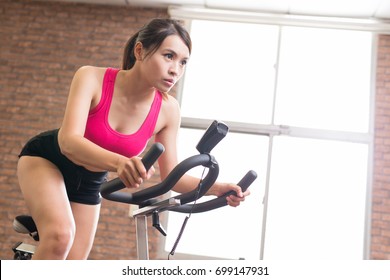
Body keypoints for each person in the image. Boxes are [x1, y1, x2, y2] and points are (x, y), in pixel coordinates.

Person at [16, 18, 250, 260]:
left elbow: (172, 177)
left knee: (75, 263)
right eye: (168, 56)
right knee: (60, 237)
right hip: (47, 159)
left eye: (183, 62)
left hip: (90, 181)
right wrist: (119, 162)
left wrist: (218, 188)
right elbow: (68, 142)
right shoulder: (91, 78)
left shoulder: (168, 110)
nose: (175, 70)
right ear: (140, 50)